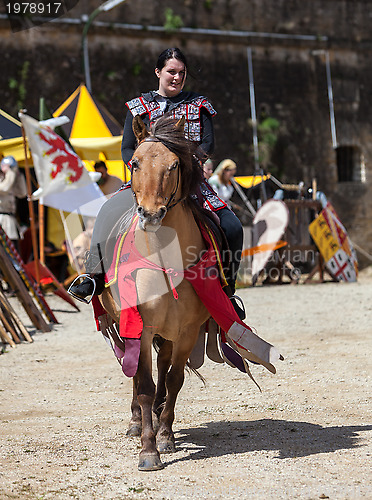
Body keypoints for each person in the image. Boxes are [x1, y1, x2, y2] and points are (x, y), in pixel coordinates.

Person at [69, 47, 244, 318]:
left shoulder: (199, 105)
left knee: (233, 227)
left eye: (181, 73)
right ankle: (93, 276)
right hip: (146, 183)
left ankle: (228, 291)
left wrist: (191, 164)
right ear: (158, 72)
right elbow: (127, 148)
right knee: (106, 212)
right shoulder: (138, 106)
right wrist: (142, 170)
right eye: (171, 72)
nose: (176, 77)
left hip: (189, 182)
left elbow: (208, 143)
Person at [0, 156, 27, 250]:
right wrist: (10, 173)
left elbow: (22, 193)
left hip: (10, 222)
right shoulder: (5, 180)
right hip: (2, 220)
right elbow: (5, 188)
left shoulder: (9, 179)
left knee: (14, 253)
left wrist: (18, 175)